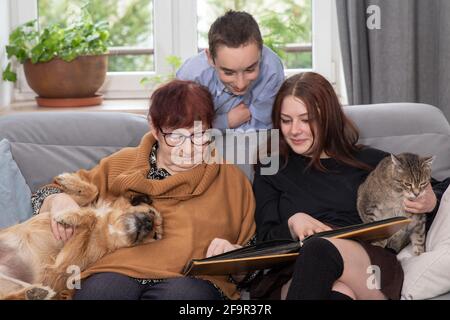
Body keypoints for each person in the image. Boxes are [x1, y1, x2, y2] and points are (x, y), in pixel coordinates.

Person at [31, 80, 256, 300]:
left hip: (191, 280)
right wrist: (58, 200)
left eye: (198, 135)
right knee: (101, 292)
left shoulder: (231, 180)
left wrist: (236, 259)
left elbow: (251, 267)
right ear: (155, 129)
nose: (188, 149)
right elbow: (51, 190)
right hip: (116, 270)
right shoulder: (122, 164)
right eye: (176, 136)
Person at [250, 72, 450, 300]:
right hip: (297, 271)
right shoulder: (271, 169)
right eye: (286, 120)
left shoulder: (368, 161)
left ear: (328, 118)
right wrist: (293, 224)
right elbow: (264, 240)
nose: (294, 130)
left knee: (320, 248)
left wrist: (431, 199)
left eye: (306, 120)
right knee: (338, 291)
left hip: (366, 266)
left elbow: (439, 186)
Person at [176, 10, 284, 131]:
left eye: (250, 69)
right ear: (210, 58)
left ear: (261, 54)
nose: (241, 84)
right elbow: (182, 128)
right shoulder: (190, 76)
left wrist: (209, 124)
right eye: (228, 72)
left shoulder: (272, 69)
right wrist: (225, 121)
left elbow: (262, 129)